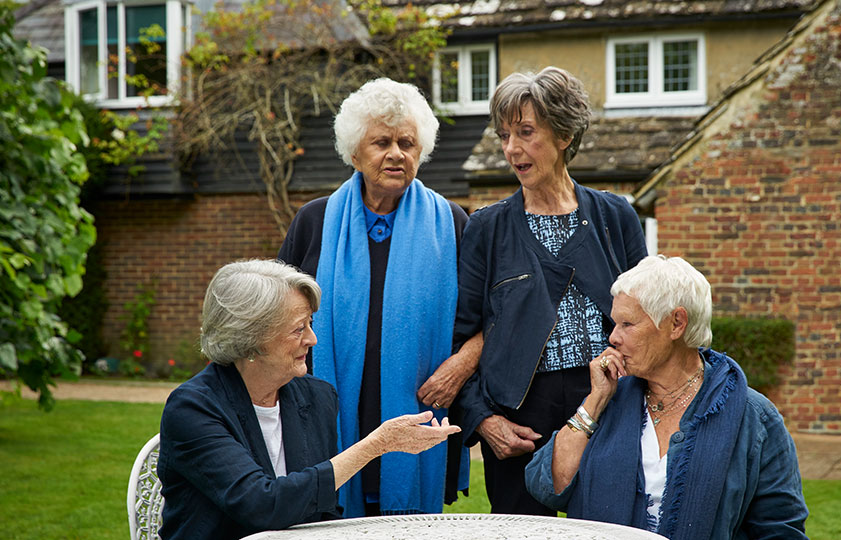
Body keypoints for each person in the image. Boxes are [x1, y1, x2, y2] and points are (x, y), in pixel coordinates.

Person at [453, 66, 648, 515]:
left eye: (525, 132)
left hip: (606, 404)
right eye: (504, 135)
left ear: (563, 135)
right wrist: (485, 421)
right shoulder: (487, 227)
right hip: (520, 419)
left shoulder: (615, 216)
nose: (511, 149)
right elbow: (461, 338)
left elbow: (648, 322)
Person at [278, 78, 477, 517]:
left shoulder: (452, 223)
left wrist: (460, 365)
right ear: (354, 153)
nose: (396, 153)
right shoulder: (314, 221)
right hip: (327, 413)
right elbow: (275, 318)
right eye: (381, 142)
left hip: (420, 407)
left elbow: (486, 319)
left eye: (407, 143)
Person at [157, 260, 459, 540]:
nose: (312, 339)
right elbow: (261, 505)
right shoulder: (193, 408)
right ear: (249, 339)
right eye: (299, 328)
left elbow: (324, 512)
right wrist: (376, 445)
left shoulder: (316, 396)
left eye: (310, 324)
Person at [524, 255, 809, 539]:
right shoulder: (609, 399)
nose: (612, 337)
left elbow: (780, 529)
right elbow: (550, 487)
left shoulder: (753, 417)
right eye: (615, 323)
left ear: (676, 323)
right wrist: (595, 400)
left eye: (627, 324)